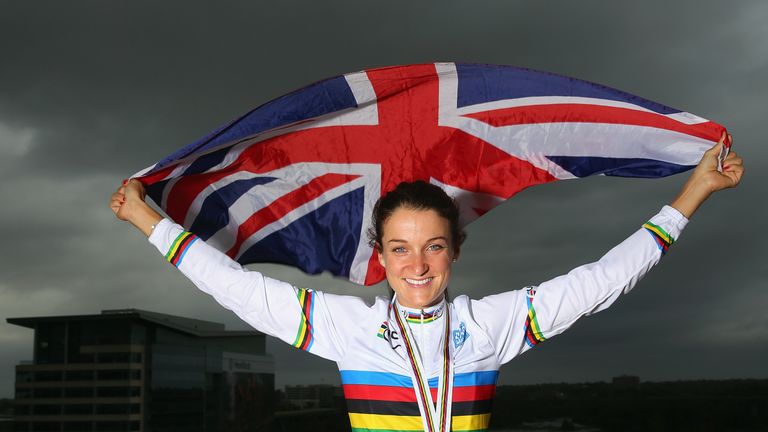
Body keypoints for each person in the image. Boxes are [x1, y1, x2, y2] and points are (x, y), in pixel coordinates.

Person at [111, 137, 742, 432]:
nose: (417, 266)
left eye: (433, 246)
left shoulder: (493, 324)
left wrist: (693, 192)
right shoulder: (347, 327)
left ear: (456, 250)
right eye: (401, 249)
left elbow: (604, 279)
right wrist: (146, 218)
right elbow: (234, 286)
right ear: (380, 257)